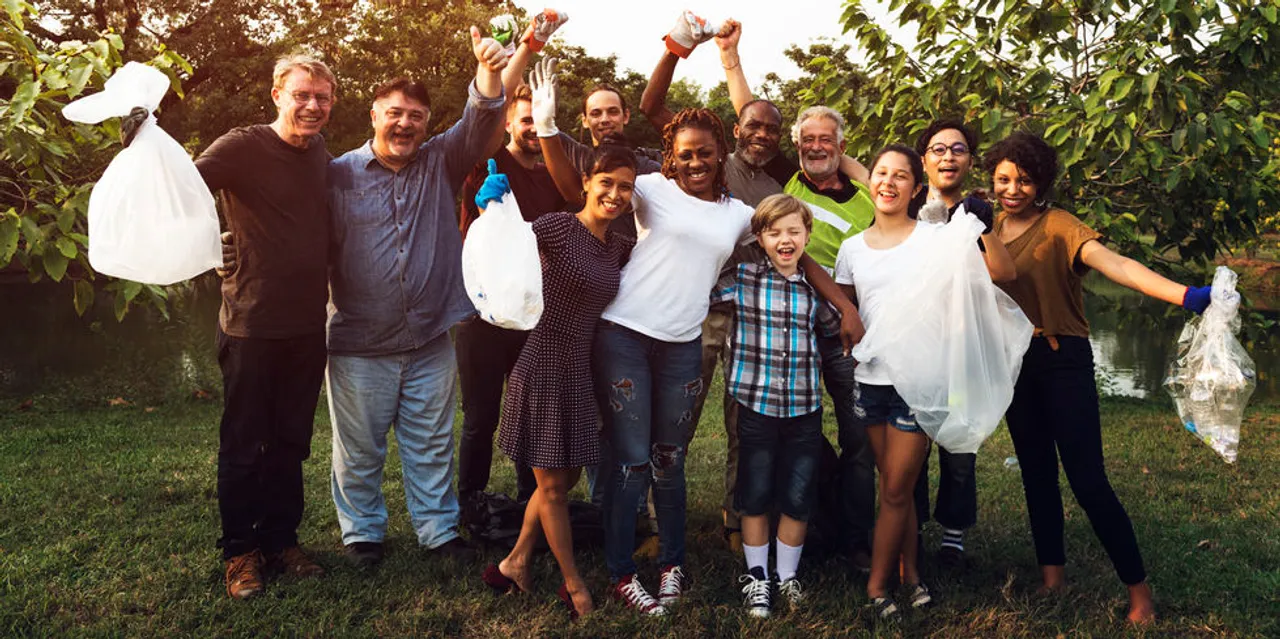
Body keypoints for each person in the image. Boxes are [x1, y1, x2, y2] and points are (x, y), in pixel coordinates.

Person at [533, 56, 865, 616]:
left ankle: (672, 563)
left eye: (703, 153)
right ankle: (620, 571)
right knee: (631, 459)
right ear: (672, 155)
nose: (693, 162)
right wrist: (547, 129)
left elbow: (796, 252)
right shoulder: (651, 189)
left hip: (683, 344)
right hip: (625, 335)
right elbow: (580, 191)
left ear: (720, 156)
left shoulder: (738, 213)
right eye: (684, 153)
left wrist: (842, 307)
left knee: (669, 458)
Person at [987, 131, 1211, 624]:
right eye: (1004, 179)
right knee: (1036, 476)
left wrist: (1185, 295)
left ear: (1042, 182)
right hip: (1014, 366)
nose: (1013, 189)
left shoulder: (1060, 224)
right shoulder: (988, 227)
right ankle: (1052, 580)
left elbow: (1118, 265)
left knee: (1088, 481)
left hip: (1062, 360)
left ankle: (1139, 593)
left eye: (1024, 180)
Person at [324, 28, 508, 568]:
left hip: (430, 337)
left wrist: (488, 67)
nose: (405, 124)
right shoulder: (336, 175)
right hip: (358, 342)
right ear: (374, 116)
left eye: (416, 116)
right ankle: (362, 534)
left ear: (427, 124)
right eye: (395, 113)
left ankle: (437, 530)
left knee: (431, 444)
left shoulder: (440, 162)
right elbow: (294, 229)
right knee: (359, 451)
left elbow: (478, 120)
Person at [834, 144, 1015, 620]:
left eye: (900, 176)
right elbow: (849, 311)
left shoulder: (935, 239)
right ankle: (911, 574)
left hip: (920, 384)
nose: (887, 183)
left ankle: (877, 588)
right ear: (868, 181)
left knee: (895, 490)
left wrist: (982, 226)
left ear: (916, 188)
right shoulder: (852, 250)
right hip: (870, 382)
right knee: (895, 483)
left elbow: (1002, 272)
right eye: (880, 173)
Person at [195, 53, 335, 600]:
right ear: (277, 93)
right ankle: (239, 554)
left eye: (322, 97)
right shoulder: (242, 145)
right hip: (250, 325)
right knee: (243, 446)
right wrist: (208, 247)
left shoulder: (321, 151)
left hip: (306, 326)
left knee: (290, 444)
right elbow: (183, 191)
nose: (312, 106)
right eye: (302, 94)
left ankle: (281, 541)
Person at [480, 144, 638, 622]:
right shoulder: (558, 226)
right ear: (586, 182)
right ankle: (575, 585)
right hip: (545, 361)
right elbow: (501, 244)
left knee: (564, 479)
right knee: (550, 486)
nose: (614, 194)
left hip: (583, 367)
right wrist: (490, 207)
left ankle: (515, 563)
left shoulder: (620, 246)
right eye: (606, 182)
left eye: (625, 186)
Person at [455, 10, 570, 513]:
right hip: (481, 314)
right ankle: (470, 500)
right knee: (480, 414)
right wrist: (530, 44)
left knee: (532, 413)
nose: (530, 128)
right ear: (506, 122)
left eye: (537, 121)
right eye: (522, 119)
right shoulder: (483, 163)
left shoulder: (558, 174)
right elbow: (497, 93)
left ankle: (533, 501)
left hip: (535, 314)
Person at [713, 194, 836, 618]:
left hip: (804, 406)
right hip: (756, 404)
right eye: (774, 232)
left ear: (807, 236)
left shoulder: (815, 290)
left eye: (794, 231)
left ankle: (787, 576)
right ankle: (758, 578)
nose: (785, 240)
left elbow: (835, 329)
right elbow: (702, 293)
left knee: (799, 494)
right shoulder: (743, 278)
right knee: (755, 491)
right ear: (760, 238)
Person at [910, 119, 990, 567]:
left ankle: (954, 536)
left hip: (962, 344)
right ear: (924, 161)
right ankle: (913, 529)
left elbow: (999, 273)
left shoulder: (980, 212)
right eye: (937, 149)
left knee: (959, 442)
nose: (948, 157)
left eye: (957, 149)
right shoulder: (903, 203)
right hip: (917, 344)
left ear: (969, 161)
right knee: (912, 441)